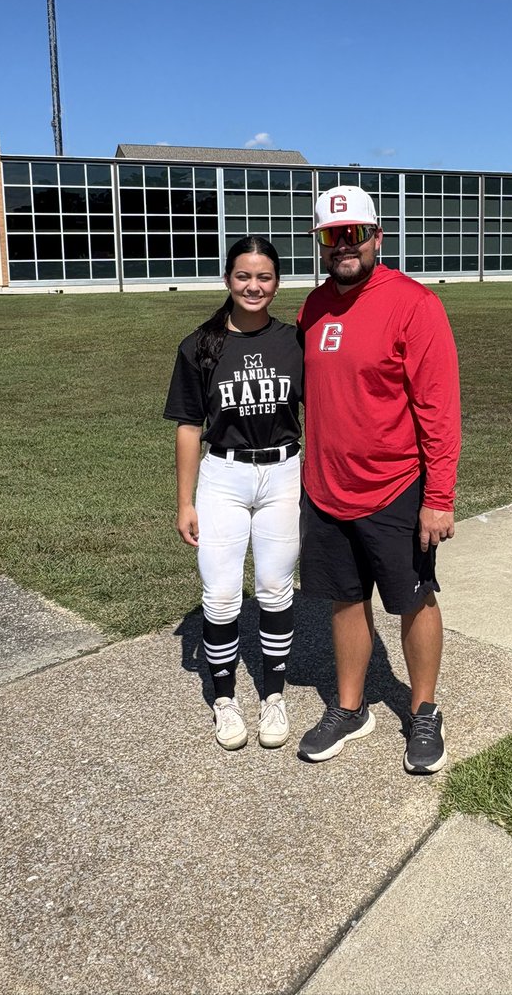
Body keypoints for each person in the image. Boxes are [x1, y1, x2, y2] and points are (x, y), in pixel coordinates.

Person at [297, 186, 461, 774]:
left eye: (354, 233)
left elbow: (439, 410)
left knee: (413, 600)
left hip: (395, 488)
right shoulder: (312, 309)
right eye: (330, 235)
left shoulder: (414, 304)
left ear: (376, 238)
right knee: (345, 600)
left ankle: (423, 711)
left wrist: (437, 499)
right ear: (319, 242)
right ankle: (350, 707)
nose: (344, 244)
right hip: (324, 490)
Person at [164, 236, 303, 751]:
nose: (253, 286)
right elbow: (186, 427)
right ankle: (224, 699)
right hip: (223, 475)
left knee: (273, 588)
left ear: (277, 283)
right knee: (221, 595)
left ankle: (273, 695)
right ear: (227, 280)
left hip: (284, 474)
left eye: (264, 277)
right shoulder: (200, 344)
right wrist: (185, 500)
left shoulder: (295, 341)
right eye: (243, 276)